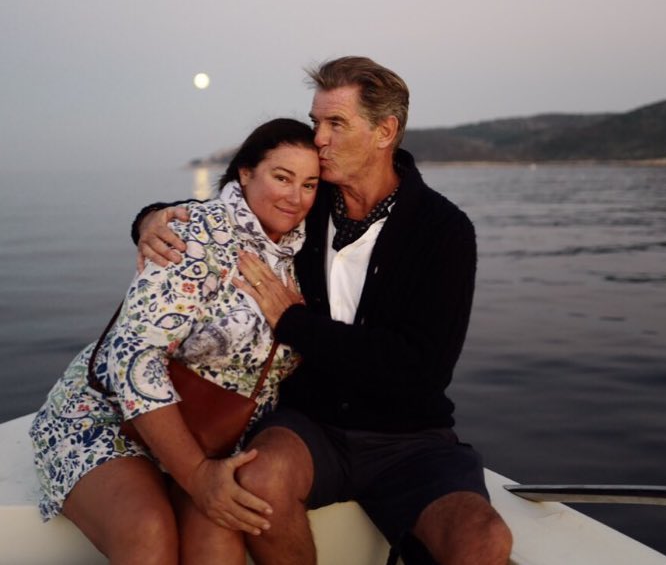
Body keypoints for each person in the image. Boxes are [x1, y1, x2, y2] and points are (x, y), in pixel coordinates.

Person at [136, 57, 513, 565]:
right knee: (260, 483)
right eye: (316, 122)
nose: (319, 139)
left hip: (410, 438)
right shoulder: (305, 203)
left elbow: (420, 370)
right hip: (308, 424)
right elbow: (223, 215)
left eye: (336, 123)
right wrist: (149, 219)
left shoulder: (443, 231)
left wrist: (295, 324)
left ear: (385, 132)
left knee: (482, 539)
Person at [29, 118, 320, 565]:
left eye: (310, 184)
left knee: (218, 542)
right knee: (148, 534)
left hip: (213, 432)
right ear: (245, 172)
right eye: (282, 177)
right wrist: (198, 475)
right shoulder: (195, 231)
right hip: (110, 417)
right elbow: (132, 356)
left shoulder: (305, 253)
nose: (296, 197)